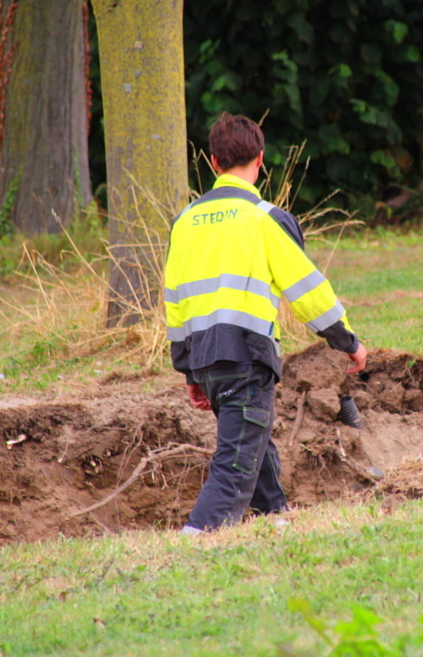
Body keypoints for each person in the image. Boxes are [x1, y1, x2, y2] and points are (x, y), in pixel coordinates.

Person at [164, 113, 368, 533]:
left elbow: (175, 303)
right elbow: (308, 289)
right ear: (260, 161)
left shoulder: (184, 222)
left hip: (204, 360)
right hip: (245, 357)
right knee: (236, 464)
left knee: (253, 442)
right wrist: (347, 341)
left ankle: (277, 521)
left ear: (214, 163)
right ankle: (194, 540)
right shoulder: (264, 217)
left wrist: (189, 372)